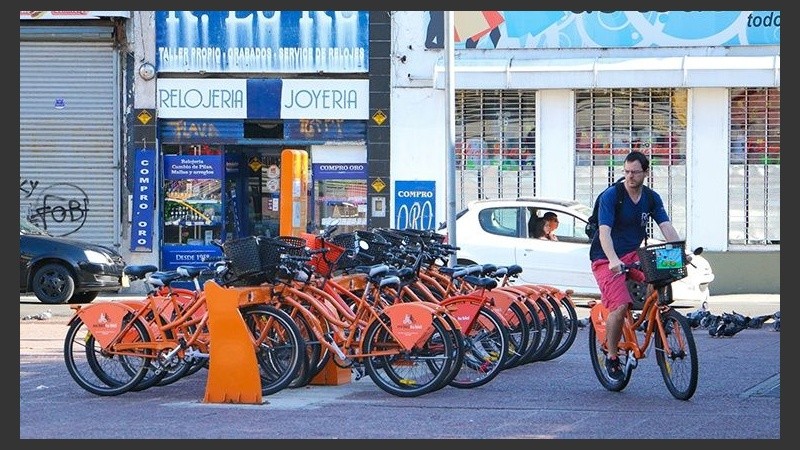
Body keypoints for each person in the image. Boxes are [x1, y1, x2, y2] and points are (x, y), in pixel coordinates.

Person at [589, 151, 682, 380]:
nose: (630, 176)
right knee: (619, 306)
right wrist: (612, 260)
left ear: (646, 173)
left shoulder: (651, 197)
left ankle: (651, 320)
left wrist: (680, 251)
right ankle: (612, 357)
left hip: (632, 253)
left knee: (661, 276)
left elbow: (666, 226)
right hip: (605, 257)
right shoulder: (612, 196)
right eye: (627, 171)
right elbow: (604, 233)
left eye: (635, 172)